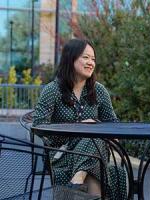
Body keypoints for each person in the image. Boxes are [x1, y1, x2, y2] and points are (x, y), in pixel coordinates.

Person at [33, 39, 126, 199]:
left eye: (93, 59)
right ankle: (79, 176)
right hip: (62, 152)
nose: (91, 63)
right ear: (71, 58)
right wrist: (79, 127)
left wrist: (102, 133)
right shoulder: (53, 90)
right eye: (86, 57)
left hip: (96, 152)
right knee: (94, 134)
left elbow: (112, 124)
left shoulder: (99, 91)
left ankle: (77, 179)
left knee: (94, 134)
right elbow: (38, 125)